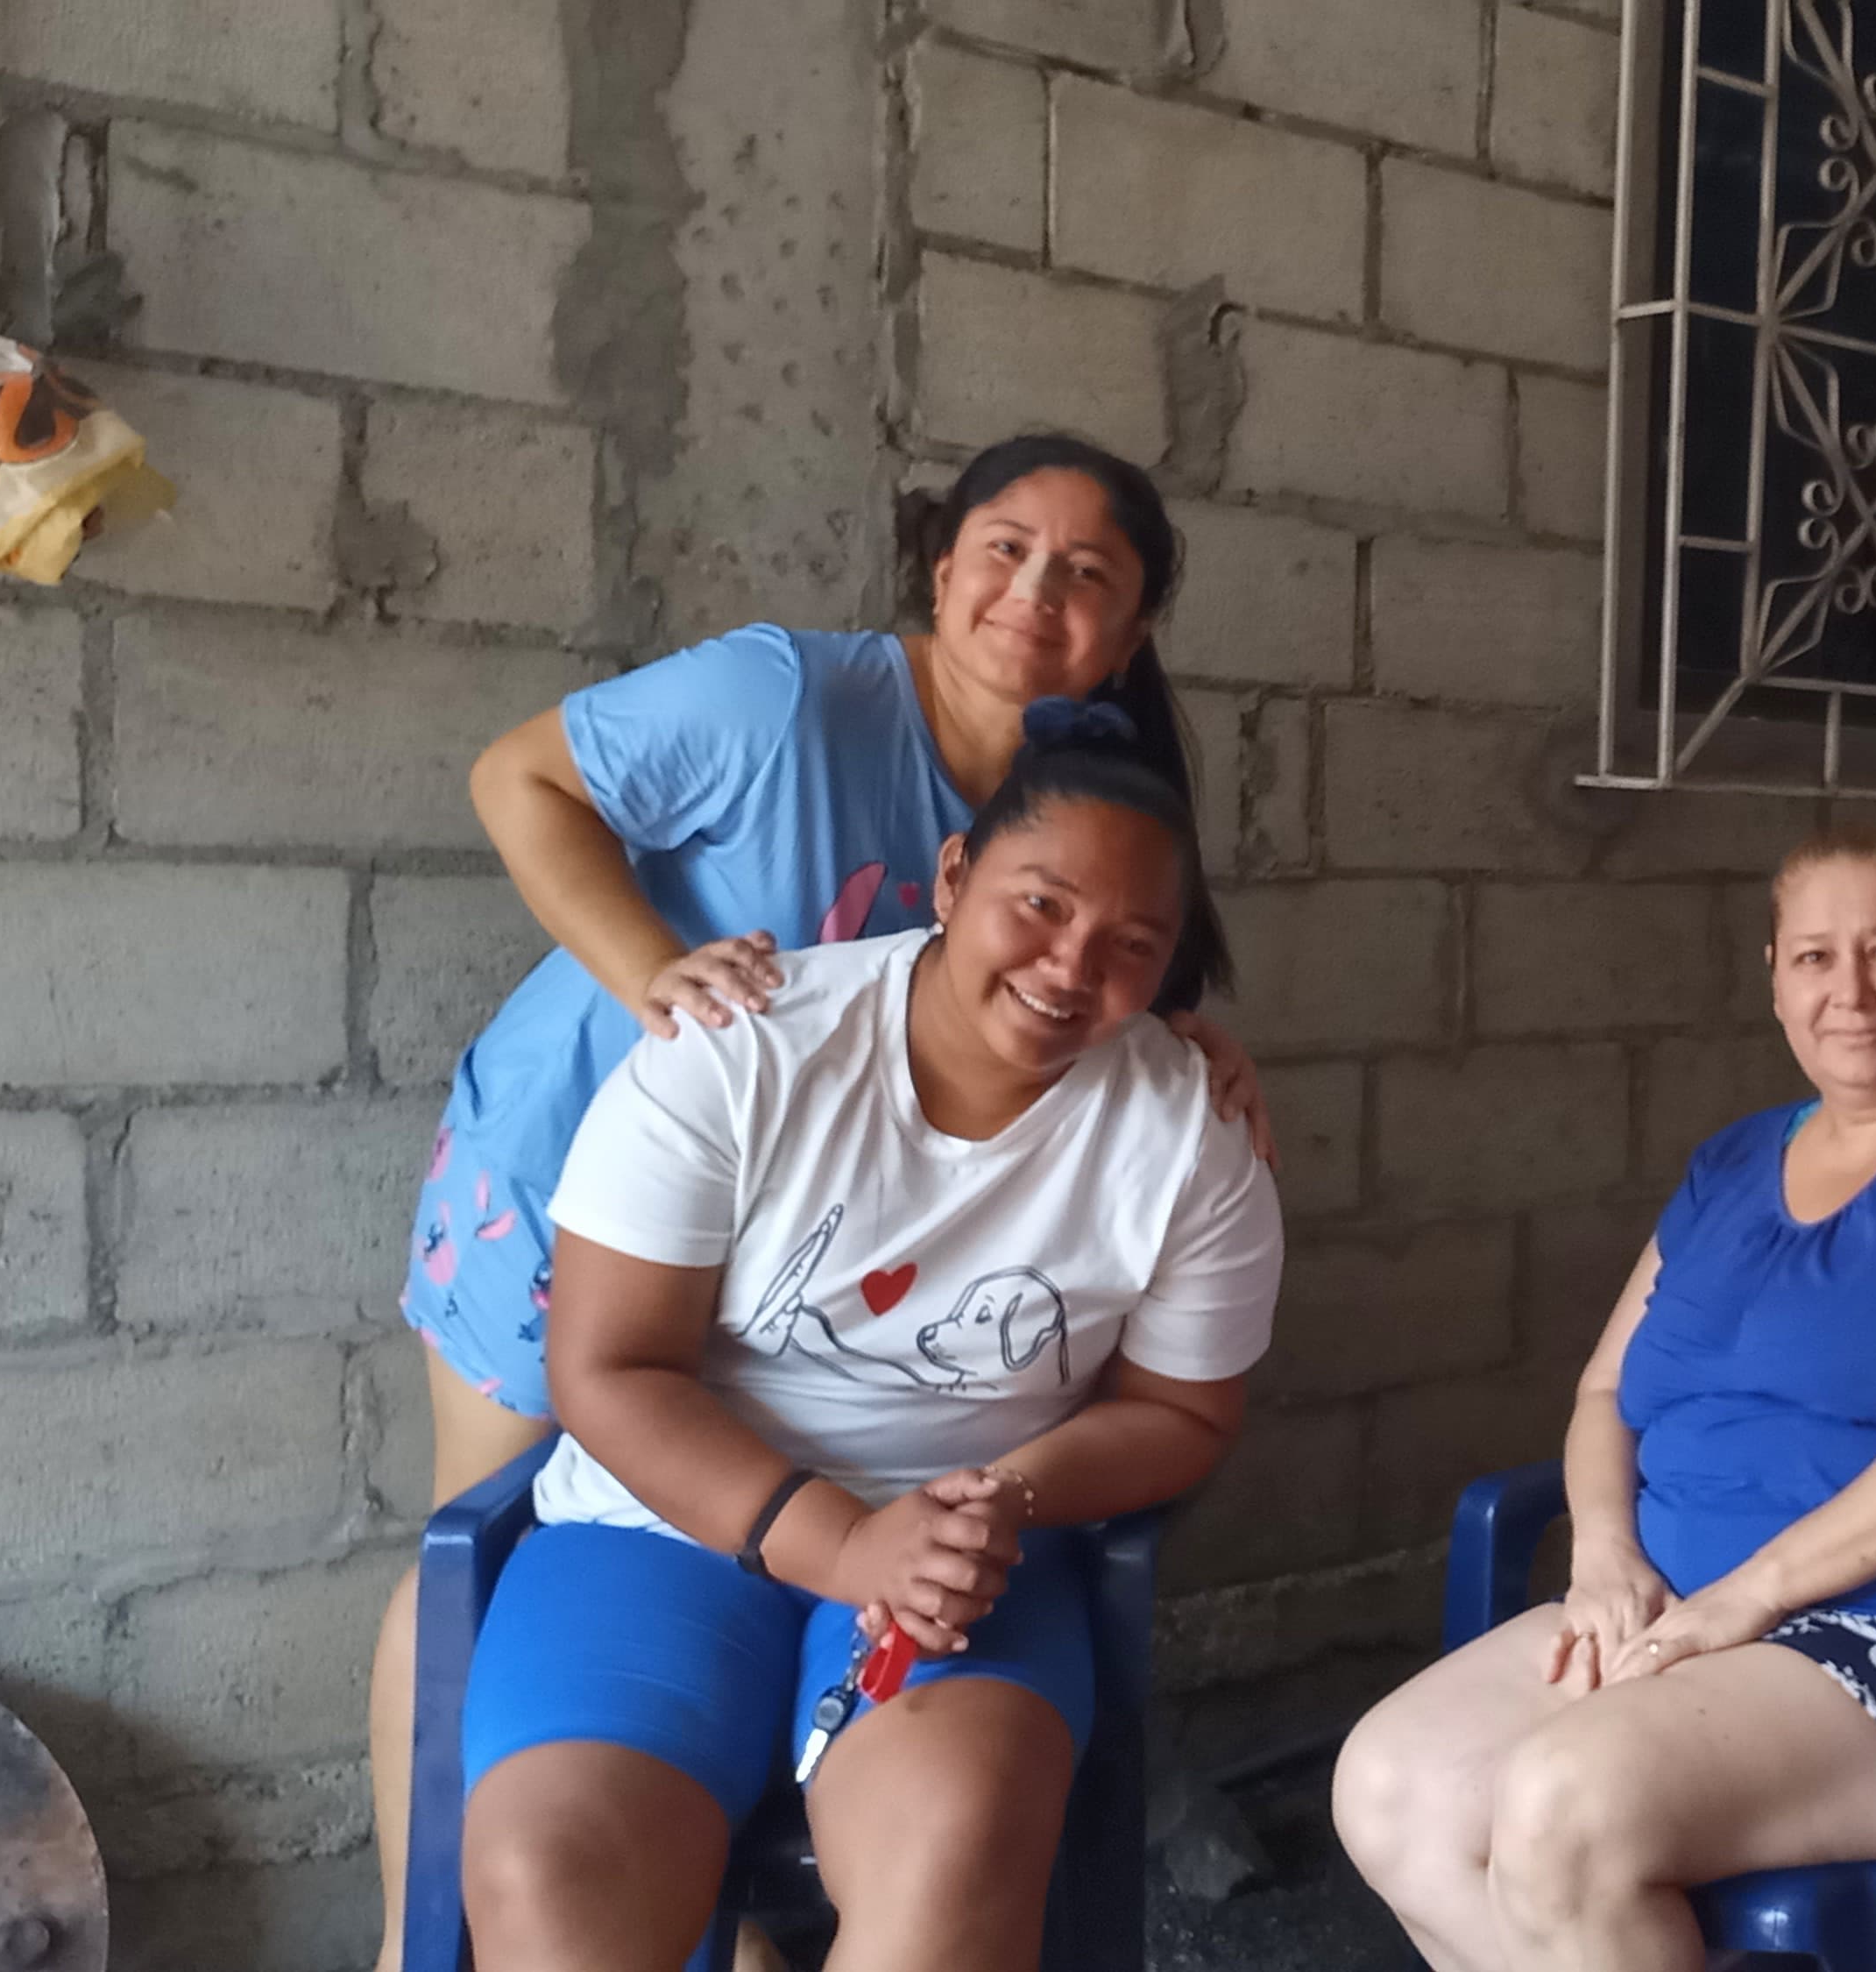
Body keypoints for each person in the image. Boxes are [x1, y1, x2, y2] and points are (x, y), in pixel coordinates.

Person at [368, 433, 1271, 1965]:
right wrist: (661, 985)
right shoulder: (789, 703)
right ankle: (416, 1936)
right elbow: (518, 777)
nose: (1035, 593)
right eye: (1005, 549)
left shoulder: (1108, 935)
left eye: (1087, 574)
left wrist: (1182, 1052)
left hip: (841, 1302)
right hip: (584, 1154)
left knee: (920, 1835)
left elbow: (1088, 960)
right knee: (494, 1555)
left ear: (1132, 632)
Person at [1330, 826, 1876, 1972]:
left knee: (1566, 1815)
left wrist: (1750, 1595)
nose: (1850, 991)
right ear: (1774, 978)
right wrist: (1604, 1554)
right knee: (1388, 1787)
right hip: (1680, 1611)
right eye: (1815, 957)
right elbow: (1607, 1389)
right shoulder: (1727, 1167)